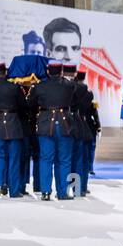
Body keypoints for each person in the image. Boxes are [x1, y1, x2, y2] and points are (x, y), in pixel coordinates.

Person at [30, 61, 77, 201]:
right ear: (61, 71)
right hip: (65, 125)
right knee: (64, 160)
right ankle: (62, 193)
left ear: (48, 71)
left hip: (45, 124)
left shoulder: (39, 86)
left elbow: (31, 105)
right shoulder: (70, 85)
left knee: (45, 159)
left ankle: (45, 192)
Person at [0, 62, 27, 198]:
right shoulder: (14, 88)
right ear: (6, 72)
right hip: (13, 122)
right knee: (14, 157)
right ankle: (14, 190)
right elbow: (23, 105)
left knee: (0, 157)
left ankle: (0, 185)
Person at [65, 64, 93, 196]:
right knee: (80, 159)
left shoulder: (61, 86)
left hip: (64, 124)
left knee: (65, 160)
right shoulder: (84, 90)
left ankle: (66, 188)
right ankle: (80, 189)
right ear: (75, 73)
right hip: (79, 124)